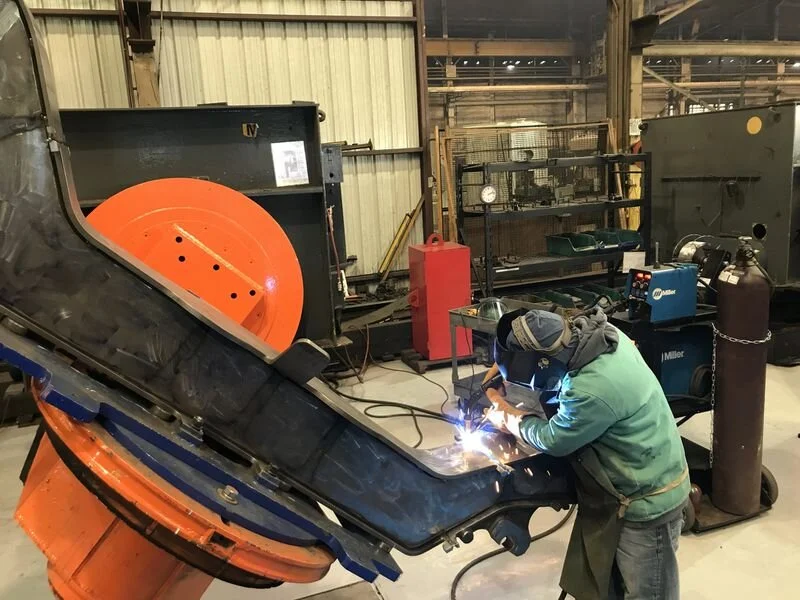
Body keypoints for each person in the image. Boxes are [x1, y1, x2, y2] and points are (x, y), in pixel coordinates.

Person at [485, 308, 690, 600]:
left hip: (646, 502)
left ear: (544, 361)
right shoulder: (603, 336)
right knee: (610, 585)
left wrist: (509, 418)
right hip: (631, 482)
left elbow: (553, 439)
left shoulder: (589, 390)